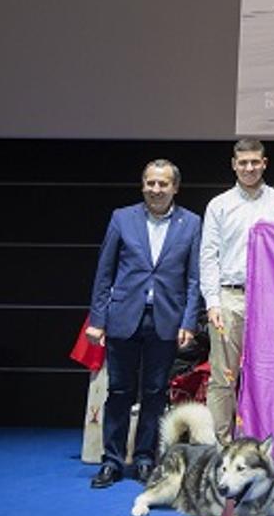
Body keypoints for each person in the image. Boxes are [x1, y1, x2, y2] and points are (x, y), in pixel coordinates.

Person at [85, 159, 201, 488]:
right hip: (123, 319)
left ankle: (146, 460)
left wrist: (189, 321)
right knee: (119, 391)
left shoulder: (191, 223)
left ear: (175, 187)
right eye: (150, 183)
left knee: (154, 393)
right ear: (143, 185)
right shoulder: (122, 218)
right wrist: (98, 320)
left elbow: (194, 279)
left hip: (166, 320)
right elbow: (104, 272)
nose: (156, 189)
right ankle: (111, 461)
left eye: (163, 184)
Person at [199, 138, 274, 444]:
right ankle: (219, 447)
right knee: (223, 377)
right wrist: (212, 303)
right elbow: (208, 256)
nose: (249, 168)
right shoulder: (219, 205)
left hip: (271, 300)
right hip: (229, 298)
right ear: (233, 165)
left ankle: (264, 444)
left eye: (254, 162)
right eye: (243, 162)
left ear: (264, 163)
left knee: (269, 374)